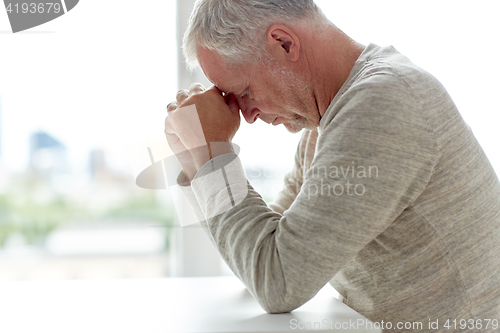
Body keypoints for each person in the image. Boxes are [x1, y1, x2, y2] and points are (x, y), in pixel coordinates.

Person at [164, 0, 500, 331]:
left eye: (245, 92)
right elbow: (256, 255)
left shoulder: (383, 103)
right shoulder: (328, 123)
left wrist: (214, 153)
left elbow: (277, 282)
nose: (247, 116)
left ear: (284, 43)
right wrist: (196, 162)